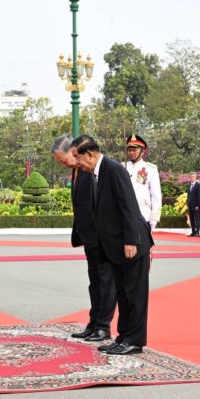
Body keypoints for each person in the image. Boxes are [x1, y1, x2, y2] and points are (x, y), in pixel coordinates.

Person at [71, 134, 153, 355]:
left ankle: (134, 340)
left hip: (132, 244)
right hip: (115, 246)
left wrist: (131, 240)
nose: (77, 163)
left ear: (89, 154)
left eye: (78, 157)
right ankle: (123, 337)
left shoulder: (113, 169)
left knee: (134, 295)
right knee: (122, 294)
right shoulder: (97, 173)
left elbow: (129, 205)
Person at [51, 136, 115, 342]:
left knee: (105, 283)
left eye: (64, 160)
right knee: (94, 283)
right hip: (88, 238)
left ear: (74, 152)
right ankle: (94, 322)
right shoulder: (77, 171)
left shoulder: (91, 171)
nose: (64, 165)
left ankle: (103, 326)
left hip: (101, 237)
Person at [122, 134, 161, 230]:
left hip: (143, 214)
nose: (131, 153)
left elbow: (155, 194)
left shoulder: (150, 169)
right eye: (129, 150)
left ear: (142, 151)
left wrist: (154, 217)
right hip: (123, 214)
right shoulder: (121, 167)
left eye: (134, 150)